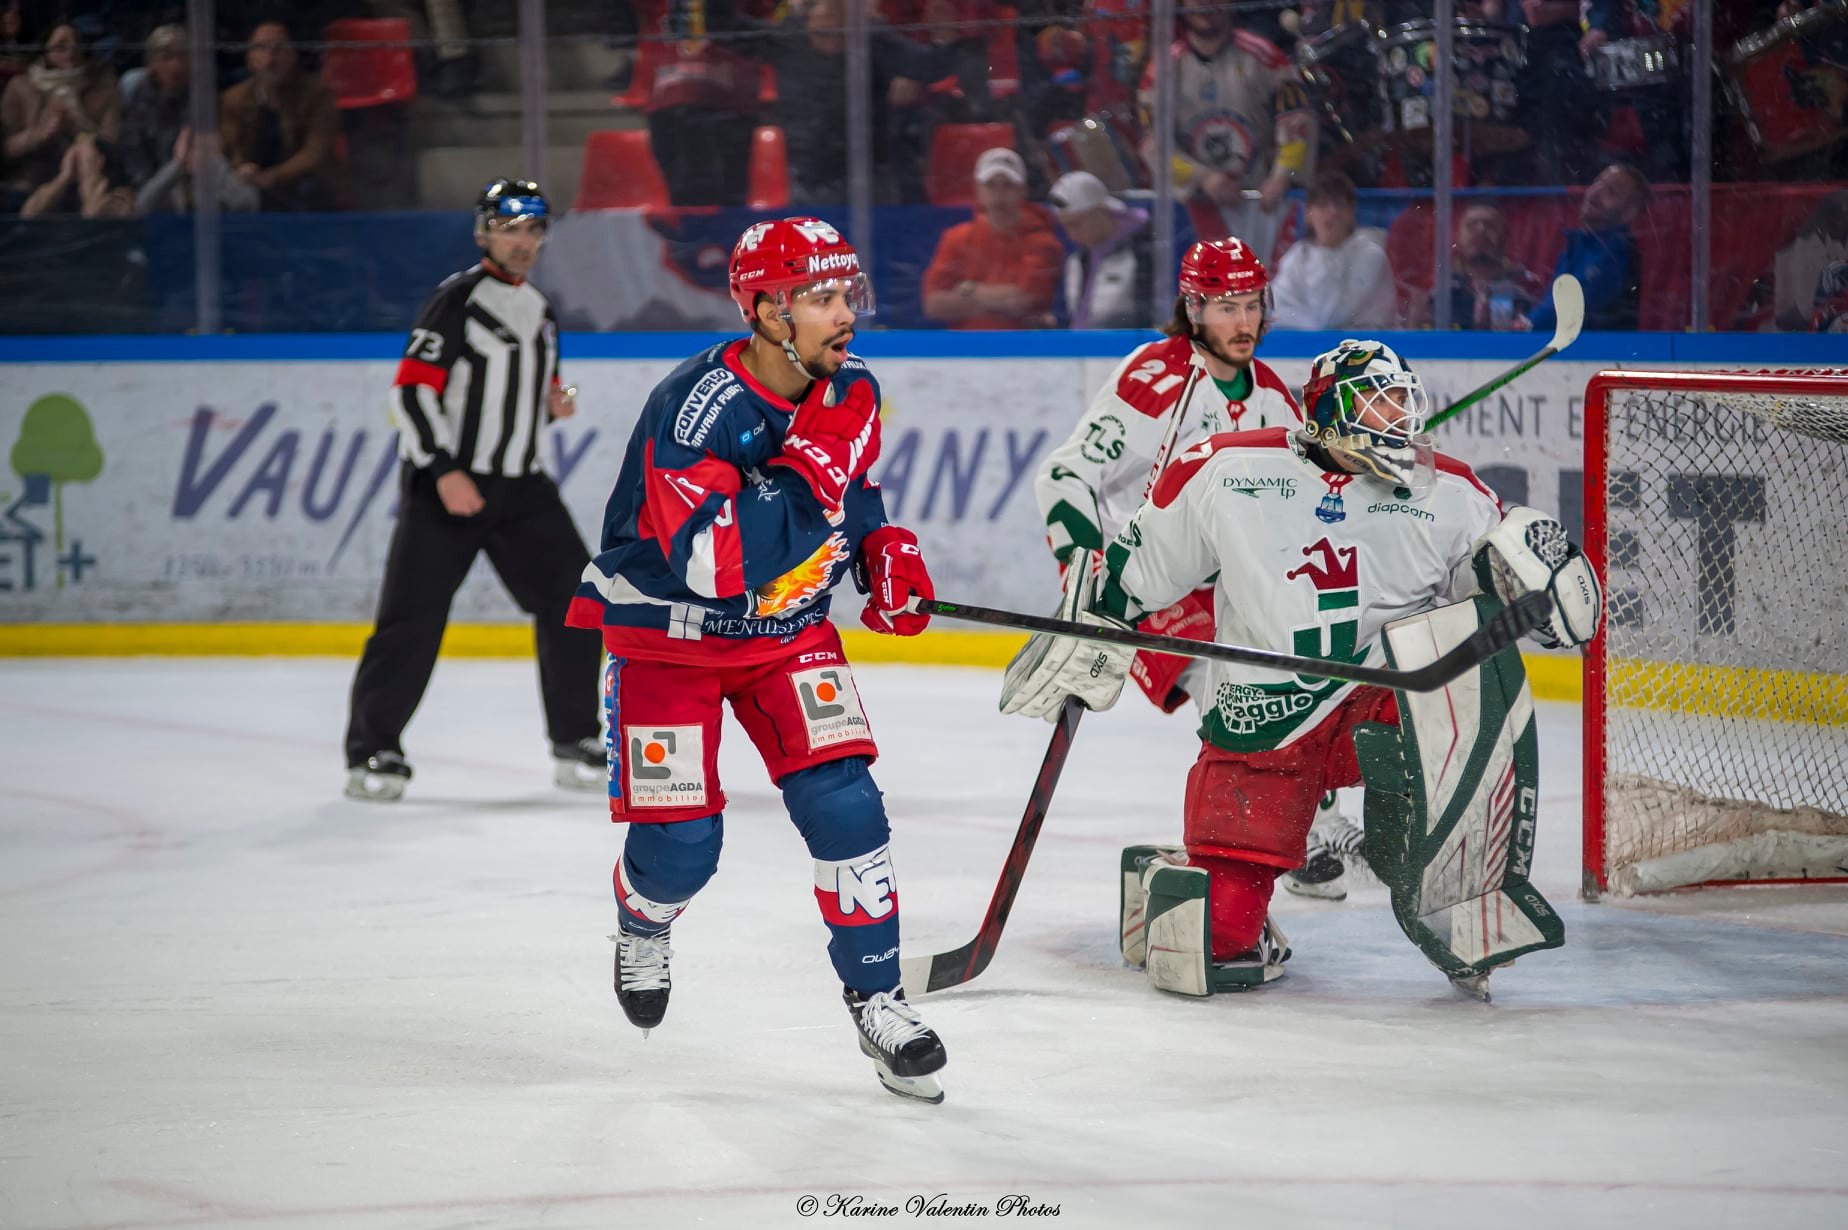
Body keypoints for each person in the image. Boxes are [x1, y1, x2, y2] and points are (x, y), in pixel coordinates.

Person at [1002, 339, 1602, 997]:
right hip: (1265, 721)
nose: (1398, 420)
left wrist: (1533, 573)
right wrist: (1095, 619)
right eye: (1379, 403)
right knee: (1210, 950)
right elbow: (1137, 577)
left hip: (1388, 704)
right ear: (1327, 413)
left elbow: (1497, 569)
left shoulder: (1449, 490)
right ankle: (1174, 875)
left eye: (1403, 403)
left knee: (1473, 687)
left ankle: (1463, 890)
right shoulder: (1226, 471)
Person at [564, 217, 951, 1104]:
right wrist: (815, 487)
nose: (842, 313)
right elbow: (714, 564)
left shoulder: (849, 385)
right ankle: (643, 918)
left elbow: (853, 491)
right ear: (765, 310)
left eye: (846, 292)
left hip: (789, 637)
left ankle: (880, 1000)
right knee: (681, 849)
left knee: (847, 807)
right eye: (820, 297)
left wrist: (881, 545)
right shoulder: (694, 409)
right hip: (672, 638)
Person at [344, 180, 605, 802]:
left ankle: (576, 740)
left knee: (577, 601)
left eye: (533, 230)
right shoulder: (455, 301)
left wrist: (551, 405)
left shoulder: (541, 310)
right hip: (449, 486)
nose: (523, 241)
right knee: (411, 618)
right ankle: (372, 751)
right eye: (510, 228)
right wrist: (443, 469)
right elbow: (411, 391)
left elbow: (524, 398)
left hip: (523, 487)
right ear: (483, 232)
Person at [1139, 0, 1314, 264]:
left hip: (1263, 207)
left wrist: (1281, 176)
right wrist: (1203, 177)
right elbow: (1153, 146)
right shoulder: (1162, 69)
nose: (1205, 5)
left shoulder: (1265, 57)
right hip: (1198, 211)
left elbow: (1298, 125)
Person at [921, 146, 1065, 328]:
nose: (998, 194)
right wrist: (1001, 303)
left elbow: (1023, 302)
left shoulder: (1043, 243)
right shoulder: (955, 238)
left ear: (1023, 190)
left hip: (1022, 350)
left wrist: (967, 289)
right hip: (964, 351)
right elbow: (933, 305)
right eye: (990, 185)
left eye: (1008, 185)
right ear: (977, 189)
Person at [218, 20, 347, 212]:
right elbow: (230, 147)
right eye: (262, 48)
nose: (271, 56)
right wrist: (242, 168)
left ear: (293, 55)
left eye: (278, 47)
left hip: (303, 182)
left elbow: (315, 153)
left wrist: (273, 177)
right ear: (250, 59)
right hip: (253, 185)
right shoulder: (232, 99)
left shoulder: (318, 94)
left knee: (313, 192)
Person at [0, 22, 121, 206]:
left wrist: (76, 127)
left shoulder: (103, 87)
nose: (70, 52)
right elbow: (7, 147)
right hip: (34, 171)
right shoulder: (20, 86)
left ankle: (95, 213)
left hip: (91, 169)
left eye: (75, 45)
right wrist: (42, 133)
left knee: (84, 150)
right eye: (61, 46)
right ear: (45, 51)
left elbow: (113, 142)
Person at [1526, 162, 1647, 333]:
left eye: (1611, 191)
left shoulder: (1617, 252)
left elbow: (1568, 308)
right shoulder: (1578, 245)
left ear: (1629, 212)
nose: (1595, 192)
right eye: (1597, 183)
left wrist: (1526, 324)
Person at [1268, 170, 1396, 331]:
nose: (1332, 212)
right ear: (1308, 213)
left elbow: (1331, 318)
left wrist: (1326, 248)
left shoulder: (1370, 255)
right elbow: (1275, 309)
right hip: (1312, 351)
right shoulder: (1297, 256)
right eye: (1322, 205)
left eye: (1340, 204)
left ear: (1352, 212)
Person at [1047, 169, 1153, 330]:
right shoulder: (1077, 260)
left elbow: (1149, 315)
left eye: (1075, 224)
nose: (1071, 235)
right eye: (1065, 227)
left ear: (1101, 212)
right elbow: (1066, 317)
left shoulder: (1144, 252)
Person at [1416, 201, 1548, 331]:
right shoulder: (1440, 291)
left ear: (1505, 238)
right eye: (1471, 225)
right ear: (1458, 237)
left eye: (1490, 225)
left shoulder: (1524, 288)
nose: (1480, 230)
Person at [119, 23, 188, 196]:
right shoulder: (137, 97)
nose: (176, 65)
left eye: (182, 57)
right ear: (152, 63)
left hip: (190, 185)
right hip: (148, 187)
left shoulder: (199, 94)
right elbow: (133, 155)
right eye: (167, 57)